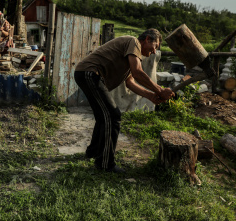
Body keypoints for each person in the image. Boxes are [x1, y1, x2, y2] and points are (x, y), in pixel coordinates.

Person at [74, 28, 175, 173]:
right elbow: (138, 72)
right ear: (147, 39)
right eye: (155, 46)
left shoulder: (130, 56)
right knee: (113, 116)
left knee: (103, 117)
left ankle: (93, 152)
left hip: (86, 74)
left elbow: (130, 82)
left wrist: (151, 96)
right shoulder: (133, 42)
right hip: (90, 74)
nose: (154, 52)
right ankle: (105, 163)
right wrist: (159, 90)